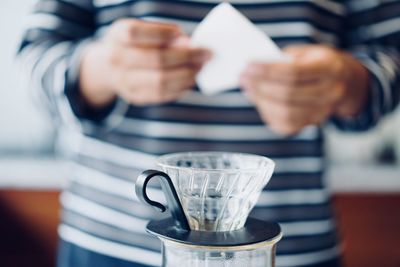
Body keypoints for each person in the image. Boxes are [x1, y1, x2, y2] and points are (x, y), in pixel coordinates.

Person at [18, 1, 400, 267]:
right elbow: (34, 57)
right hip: (110, 241)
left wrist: (348, 83)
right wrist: (100, 69)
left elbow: (391, 54)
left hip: (287, 247)